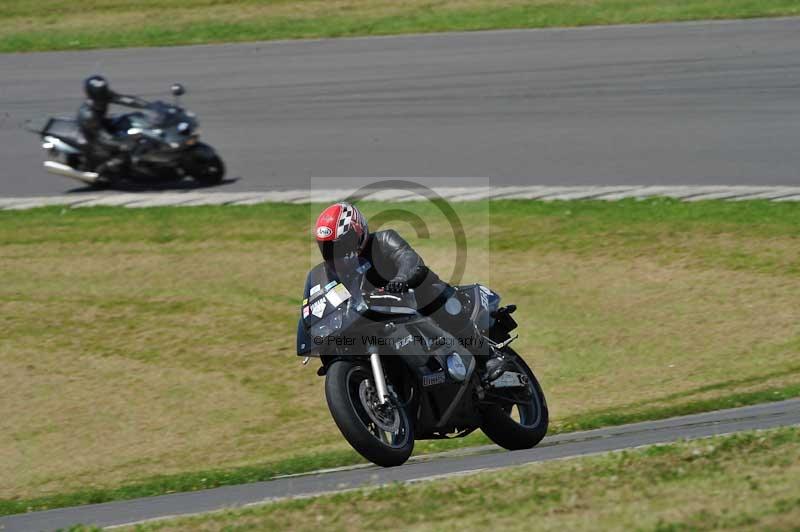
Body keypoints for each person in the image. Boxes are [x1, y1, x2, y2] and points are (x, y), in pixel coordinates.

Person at [313, 202, 508, 377]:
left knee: (435, 294)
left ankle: (488, 357)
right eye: (328, 248)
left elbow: (410, 260)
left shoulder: (383, 241)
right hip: (378, 317)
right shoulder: (334, 273)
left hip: (412, 298)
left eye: (341, 245)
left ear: (358, 232)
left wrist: (401, 279)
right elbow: (329, 297)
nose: (335, 254)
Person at [77, 75, 149, 179]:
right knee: (125, 150)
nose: (102, 97)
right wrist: (122, 143)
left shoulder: (104, 95)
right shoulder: (89, 115)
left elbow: (123, 99)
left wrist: (147, 106)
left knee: (129, 120)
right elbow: (102, 136)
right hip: (93, 135)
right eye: (99, 95)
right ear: (92, 95)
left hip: (102, 123)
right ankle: (104, 171)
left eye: (103, 92)